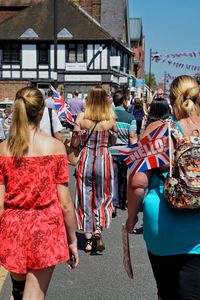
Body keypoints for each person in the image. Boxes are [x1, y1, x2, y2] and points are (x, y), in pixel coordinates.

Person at [126, 75, 200, 300]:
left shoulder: (158, 131)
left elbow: (138, 183)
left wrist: (131, 219)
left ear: (172, 99)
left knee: (166, 292)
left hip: (163, 223)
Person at [0, 87, 78, 300]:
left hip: (13, 226)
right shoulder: (55, 147)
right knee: (34, 295)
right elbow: (65, 203)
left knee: (18, 290)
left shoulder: (4, 149)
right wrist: (72, 239)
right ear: (42, 112)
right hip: (44, 227)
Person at [71, 85, 117, 253]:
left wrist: (77, 136)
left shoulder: (82, 117)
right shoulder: (111, 118)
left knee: (84, 197)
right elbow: (112, 142)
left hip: (86, 158)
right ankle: (98, 228)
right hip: (104, 158)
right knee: (103, 196)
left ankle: (89, 239)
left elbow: (75, 143)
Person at [109, 90, 137, 216]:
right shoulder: (131, 118)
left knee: (113, 177)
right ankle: (122, 201)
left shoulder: (109, 115)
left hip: (111, 150)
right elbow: (132, 137)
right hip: (125, 151)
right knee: (123, 176)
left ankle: (113, 204)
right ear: (125, 101)